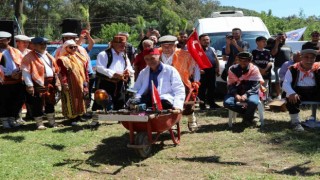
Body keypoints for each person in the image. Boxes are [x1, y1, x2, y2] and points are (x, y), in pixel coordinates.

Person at [158, 35, 200, 131]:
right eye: (164, 46)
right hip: (162, 83)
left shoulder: (185, 54)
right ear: (161, 46)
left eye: (170, 46)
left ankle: (191, 119)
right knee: (167, 103)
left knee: (187, 102)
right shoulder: (157, 54)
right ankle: (172, 121)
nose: (167, 48)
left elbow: (196, 66)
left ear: (175, 45)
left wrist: (196, 81)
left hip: (182, 81)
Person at [21, 37, 61, 130]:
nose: (43, 46)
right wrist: (29, 85)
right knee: (37, 103)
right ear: (34, 45)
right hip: (37, 83)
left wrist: (57, 81)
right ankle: (39, 124)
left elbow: (55, 69)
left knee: (50, 102)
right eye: (41, 44)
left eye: (45, 44)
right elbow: (26, 72)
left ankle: (51, 122)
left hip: (50, 82)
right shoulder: (28, 57)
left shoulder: (48, 55)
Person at [282, 49, 320, 132]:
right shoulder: (293, 68)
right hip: (298, 91)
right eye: (306, 57)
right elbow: (285, 83)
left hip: (315, 91)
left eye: (312, 58)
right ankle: (295, 123)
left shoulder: (318, 68)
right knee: (290, 97)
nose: (309, 60)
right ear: (301, 57)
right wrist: (292, 93)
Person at [93, 35, 134, 111]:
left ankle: (120, 119)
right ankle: (95, 120)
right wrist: (114, 74)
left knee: (120, 102)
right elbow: (100, 68)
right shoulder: (104, 54)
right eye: (120, 44)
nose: (123, 46)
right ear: (113, 44)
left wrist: (128, 72)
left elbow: (128, 66)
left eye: (124, 44)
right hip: (106, 82)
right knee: (100, 101)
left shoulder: (124, 55)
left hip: (119, 83)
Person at [223, 52, 264, 126]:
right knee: (227, 103)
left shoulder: (254, 69)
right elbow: (230, 84)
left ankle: (247, 118)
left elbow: (255, 85)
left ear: (249, 61)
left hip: (251, 92)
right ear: (238, 60)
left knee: (253, 102)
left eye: (245, 61)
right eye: (241, 60)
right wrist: (236, 94)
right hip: (236, 92)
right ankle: (250, 114)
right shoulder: (232, 69)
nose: (243, 62)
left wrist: (246, 94)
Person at [56, 40, 89, 126]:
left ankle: (79, 116)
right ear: (65, 48)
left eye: (75, 47)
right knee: (72, 99)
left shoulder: (80, 57)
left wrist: (86, 81)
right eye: (71, 47)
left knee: (80, 99)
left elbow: (85, 70)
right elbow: (62, 73)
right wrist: (64, 83)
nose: (74, 48)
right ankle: (72, 118)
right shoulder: (62, 59)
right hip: (70, 82)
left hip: (81, 82)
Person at [0, 31, 24, 129]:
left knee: (17, 100)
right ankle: (4, 121)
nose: (0, 42)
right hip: (2, 81)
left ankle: (12, 119)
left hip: (16, 80)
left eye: (3, 40)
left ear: (9, 40)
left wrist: (19, 72)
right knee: (2, 101)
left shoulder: (16, 51)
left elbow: (22, 64)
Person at [198, 33, 221, 110]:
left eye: (207, 39)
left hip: (212, 71)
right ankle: (202, 105)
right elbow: (193, 61)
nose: (206, 41)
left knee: (212, 87)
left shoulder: (211, 48)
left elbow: (215, 58)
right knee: (202, 89)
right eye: (203, 40)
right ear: (200, 41)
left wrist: (217, 67)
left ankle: (212, 103)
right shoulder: (197, 50)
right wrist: (198, 70)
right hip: (202, 72)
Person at [271, 32, 292, 99]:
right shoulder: (275, 45)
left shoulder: (289, 46)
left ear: (286, 37)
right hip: (278, 66)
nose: (281, 38)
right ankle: (279, 95)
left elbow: (291, 56)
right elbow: (273, 53)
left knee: (288, 80)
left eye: (282, 36)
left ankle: (287, 94)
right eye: (279, 37)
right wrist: (277, 43)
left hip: (288, 66)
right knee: (278, 81)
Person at [251, 36, 272, 101]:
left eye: (265, 41)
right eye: (263, 41)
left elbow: (270, 62)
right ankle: (257, 99)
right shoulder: (253, 52)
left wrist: (265, 69)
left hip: (266, 73)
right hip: (256, 73)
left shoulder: (268, 52)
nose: (265, 43)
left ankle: (264, 100)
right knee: (256, 86)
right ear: (257, 42)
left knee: (265, 86)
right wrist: (260, 69)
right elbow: (252, 62)